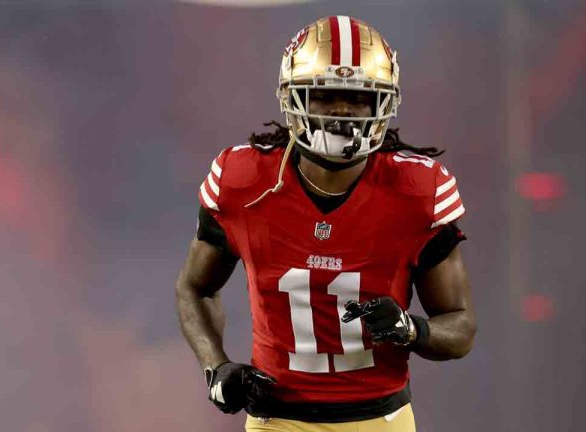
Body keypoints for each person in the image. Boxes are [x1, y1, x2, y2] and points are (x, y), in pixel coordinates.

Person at [175, 15, 476, 432]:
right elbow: (194, 287)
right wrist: (216, 367)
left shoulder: (416, 191)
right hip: (277, 420)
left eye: (358, 98)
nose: (341, 111)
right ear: (293, 98)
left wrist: (412, 329)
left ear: (383, 104)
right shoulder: (243, 182)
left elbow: (460, 326)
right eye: (325, 95)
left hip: (380, 419)